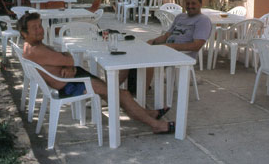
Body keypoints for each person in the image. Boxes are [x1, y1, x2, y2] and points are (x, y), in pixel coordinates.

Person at [18, 12, 175, 134]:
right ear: (24, 33)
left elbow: (67, 59)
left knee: (115, 93)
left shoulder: (31, 46)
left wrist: (68, 65)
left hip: (72, 79)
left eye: (40, 25)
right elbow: (69, 58)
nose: (40, 30)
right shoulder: (36, 50)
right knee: (123, 94)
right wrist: (68, 63)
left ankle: (149, 113)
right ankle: (156, 125)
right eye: (35, 28)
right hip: (72, 85)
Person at [120, 0, 212, 88]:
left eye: (193, 3)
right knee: (135, 51)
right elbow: (166, 36)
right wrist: (153, 41)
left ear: (200, 4)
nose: (190, 6)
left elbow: (196, 46)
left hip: (183, 54)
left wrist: (171, 47)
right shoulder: (180, 17)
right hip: (168, 49)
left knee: (148, 58)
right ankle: (125, 86)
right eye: (187, 3)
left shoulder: (203, 20)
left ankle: (143, 90)